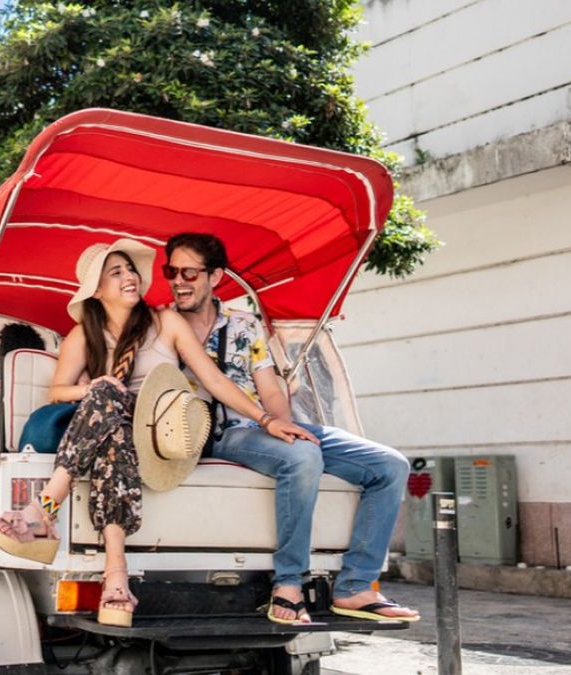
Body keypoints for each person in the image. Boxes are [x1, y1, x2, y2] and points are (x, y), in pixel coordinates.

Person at [0, 239, 315, 626]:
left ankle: (44, 509)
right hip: (116, 436)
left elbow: (213, 380)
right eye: (116, 272)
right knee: (114, 431)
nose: (129, 277)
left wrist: (265, 419)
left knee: (109, 399)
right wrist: (94, 388)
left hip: (161, 436)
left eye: (131, 269)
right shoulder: (82, 335)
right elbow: (58, 392)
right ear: (98, 289)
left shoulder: (165, 322)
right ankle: (116, 577)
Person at [163, 232, 419, 624]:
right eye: (171, 271)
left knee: (390, 465)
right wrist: (273, 426)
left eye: (189, 273)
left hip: (263, 425)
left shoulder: (245, 325)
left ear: (215, 276)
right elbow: (214, 385)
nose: (178, 281)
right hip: (216, 433)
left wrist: (283, 423)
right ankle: (288, 582)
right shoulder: (164, 325)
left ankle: (355, 586)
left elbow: (268, 385)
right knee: (302, 456)